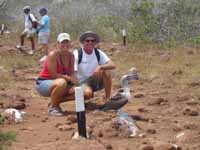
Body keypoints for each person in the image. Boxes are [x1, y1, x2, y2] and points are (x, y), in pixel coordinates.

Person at [36, 33, 78, 116]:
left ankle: (54, 101)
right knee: (61, 83)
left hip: (62, 82)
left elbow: (72, 73)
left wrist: (74, 84)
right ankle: (53, 108)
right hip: (44, 82)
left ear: (70, 43)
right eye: (62, 42)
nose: (65, 44)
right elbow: (53, 75)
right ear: (57, 44)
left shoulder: (71, 56)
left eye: (67, 42)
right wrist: (69, 79)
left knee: (83, 92)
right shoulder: (53, 55)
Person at [73, 31, 116, 101]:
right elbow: (73, 72)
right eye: (87, 41)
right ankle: (84, 96)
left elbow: (113, 65)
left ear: (95, 43)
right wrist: (75, 86)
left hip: (94, 79)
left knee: (106, 70)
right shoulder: (77, 53)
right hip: (81, 82)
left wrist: (100, 67)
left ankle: (107, 98)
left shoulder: (97, 52)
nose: (90, 43)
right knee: (87, 94)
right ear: (83, 42)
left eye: (92, 41)